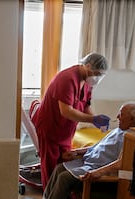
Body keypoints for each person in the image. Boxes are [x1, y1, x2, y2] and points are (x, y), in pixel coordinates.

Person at [26, 101, 135, 199]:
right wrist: (76, 152)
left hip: (97, 171)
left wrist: (98, 173)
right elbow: (96, 147)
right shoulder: (119, 130)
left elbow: (121, 163)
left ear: (132, 120)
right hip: (88, 162)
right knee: (59, 167)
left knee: (64, 178)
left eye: (121, 114)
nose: (117, 116)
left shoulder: (132, 138)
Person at [30, 53, 111, 190]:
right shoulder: (67, 78)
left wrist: (97, 121)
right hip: (51, 127)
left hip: (66, 132)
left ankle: (62, 197)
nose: (97, 78)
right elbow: (66, 111)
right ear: (88, 66)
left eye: (100, 75)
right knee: (50, 168)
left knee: (65, 163)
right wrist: (93, 119)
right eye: (96, 73)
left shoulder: (86, 83)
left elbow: (86, 105)